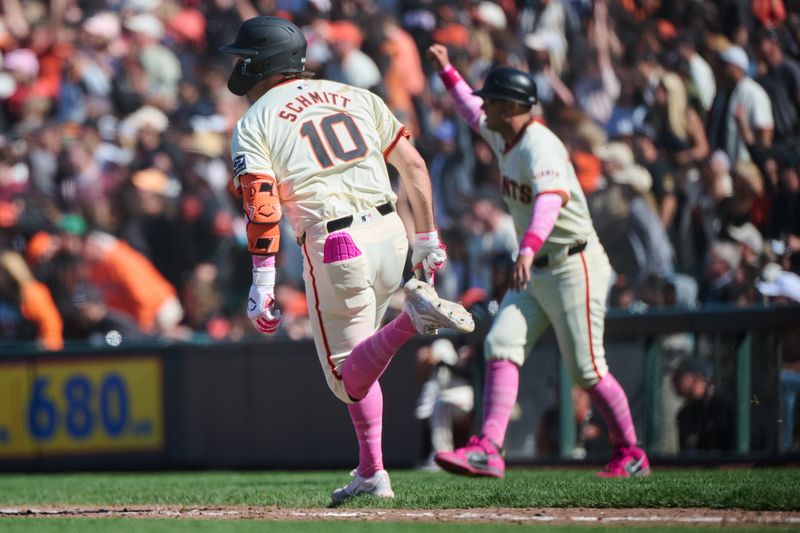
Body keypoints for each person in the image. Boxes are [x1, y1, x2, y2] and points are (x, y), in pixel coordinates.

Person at [219, 17, 474, 505]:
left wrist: (263, 280)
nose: (238, 65)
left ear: (261, 61)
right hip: (389, 233)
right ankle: (372, 471)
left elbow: (262, 205)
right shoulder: (357, 95)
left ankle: (409, 322)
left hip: (337, 245)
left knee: (344, 378)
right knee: (361, 361)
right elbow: (414, 167)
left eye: (243, 56)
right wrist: (426, 238)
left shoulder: (255, 122)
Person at [427, 44, 650, 478]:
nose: (483, 105)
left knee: (587, 370)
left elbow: (549, 201)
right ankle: (489, 448)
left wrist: (526, 247)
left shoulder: (538, 145)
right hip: (536, 266)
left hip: (573, 263)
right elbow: (471, 110)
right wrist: (448, 72)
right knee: (501, 342)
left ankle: (632, 453)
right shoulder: (503, 131)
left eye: (491, 99)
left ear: (511, 106)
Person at [671, 358, 735, 452]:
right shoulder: (684, 413)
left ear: (696, 379)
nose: (674, 383)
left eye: (679, 378)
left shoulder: (721, 407)